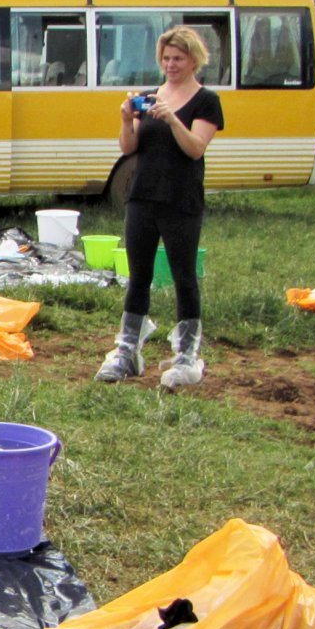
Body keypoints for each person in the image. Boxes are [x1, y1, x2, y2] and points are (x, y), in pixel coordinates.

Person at [95, 26, 223, 389]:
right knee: (138, 275)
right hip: (142, 196)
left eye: (178, 58)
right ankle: (127, 351)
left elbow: (195, 148)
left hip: (181, 199)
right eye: (166, 58)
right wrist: (126, 119)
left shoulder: (206, 101)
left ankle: (187, 356)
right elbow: (128, 147)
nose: (171, 65)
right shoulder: (149, 97)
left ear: (194, 60)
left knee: (184, 276)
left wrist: (172, 119)